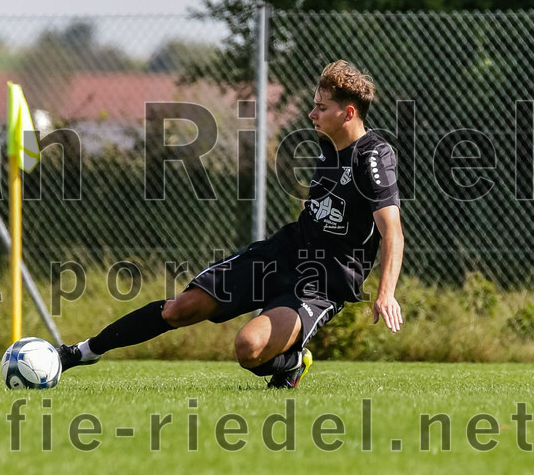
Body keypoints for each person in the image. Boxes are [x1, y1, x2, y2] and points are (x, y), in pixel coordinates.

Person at [57, 60, 404, 388]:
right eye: (314, 105)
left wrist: (385, 293)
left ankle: (293, 362)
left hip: (322, 283)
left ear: (349, 113)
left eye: (321, 107)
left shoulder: (374, 156)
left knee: (248, 349)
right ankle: (80, 352)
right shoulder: (327, 143)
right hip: (282, 254)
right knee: (182, 308)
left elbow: (392, 231)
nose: (312, 114)